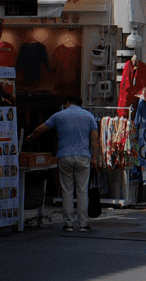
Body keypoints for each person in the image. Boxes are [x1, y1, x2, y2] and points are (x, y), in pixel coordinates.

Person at [28, 95, 99, 233]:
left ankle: (68, 224)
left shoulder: (58, 115)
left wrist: (30, 138)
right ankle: (83, 224)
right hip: (83, 156)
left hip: (64, 155)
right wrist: (94, 157)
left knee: (67, 191)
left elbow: (39, 129)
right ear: (81, 103)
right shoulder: (89, 116)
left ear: (67, 103)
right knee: (82, 192)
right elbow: (95, 138)